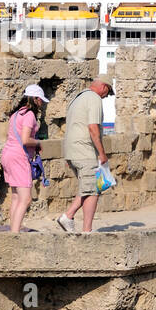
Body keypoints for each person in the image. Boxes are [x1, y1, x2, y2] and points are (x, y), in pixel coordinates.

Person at [57, 78, 114, 235]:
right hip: (85, 150)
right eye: (108, 93)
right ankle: (77, 223)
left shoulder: (78, 98)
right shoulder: (94, 98)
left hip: (73, 150)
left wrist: (70, 155)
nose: (106, 97)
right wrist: (102, 153)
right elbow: (93, 128)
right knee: (92, 189)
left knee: (89, 187)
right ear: (104, 87)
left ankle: (77, 223)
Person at [0, 84, 47, 234]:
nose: (42, 103)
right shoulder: (29, 115)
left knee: (15, 196)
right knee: (26, 199)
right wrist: (38, 143)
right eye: (40, 100)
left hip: (8, 154)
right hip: (19, 157)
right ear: (35, 99)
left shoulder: (16, 114)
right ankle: (15, 234)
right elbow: (25, 139)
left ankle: (13, 230)